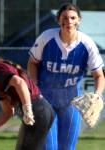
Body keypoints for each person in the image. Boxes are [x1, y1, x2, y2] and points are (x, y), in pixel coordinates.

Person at [27, 2, 105, 150]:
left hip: (71, 102)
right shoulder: (46, 37)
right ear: (58, 20)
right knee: (49, 147)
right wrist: (34, 88)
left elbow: (99, 75)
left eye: (73, 17)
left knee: (67, 147)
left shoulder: (87, 44)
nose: (69, 21)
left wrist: (97, 95)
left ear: (79, 20)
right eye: (64, 17)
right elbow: (32, 63)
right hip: (45, 100)